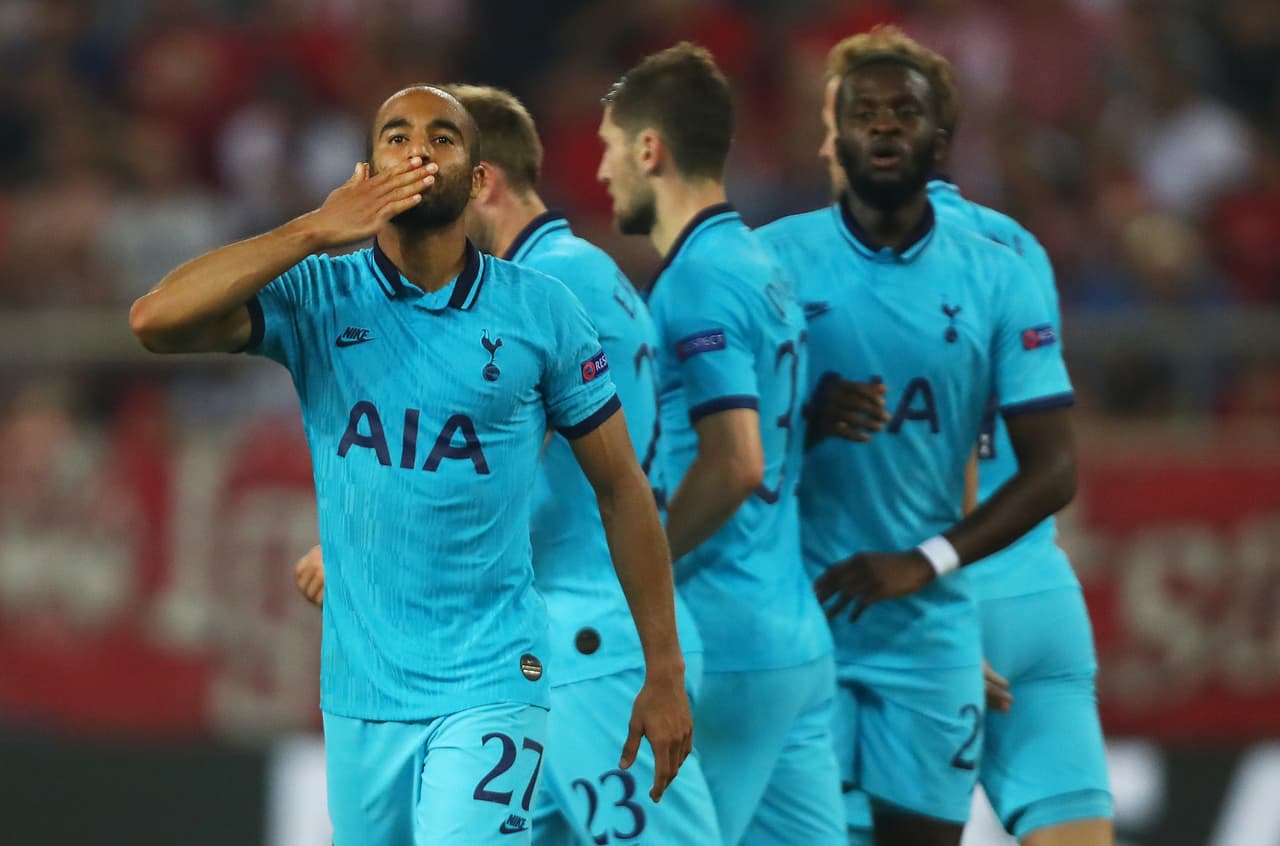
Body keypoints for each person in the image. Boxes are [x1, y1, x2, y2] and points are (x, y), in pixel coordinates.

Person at [129, 84, 692, 846]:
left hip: (493, 678)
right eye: (396, 136)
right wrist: (309, 230)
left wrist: (665, 670)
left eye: (443, 138)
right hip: (361, 693)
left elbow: (623, 487)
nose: (418, 149)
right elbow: (154, 321)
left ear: (476, 174)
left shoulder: (541, 310)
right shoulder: (320, 295)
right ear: (368, 169)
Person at [293, 82, 722, 846]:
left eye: (434, 157)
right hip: (573, 632)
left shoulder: (549, 291)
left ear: (478, 179)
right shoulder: (582, 270)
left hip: (582, 632)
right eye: (397, 151)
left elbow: (583, 469)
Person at [756, 43, 1078, 846]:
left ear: (941, 139)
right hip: (799, 617)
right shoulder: (771, 263)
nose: (884, 129)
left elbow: (1054, 469)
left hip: (927, 627)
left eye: (904, 112)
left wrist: (925, 562)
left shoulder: (999, 278)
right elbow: (706, 442)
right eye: (863, 115)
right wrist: (798, 414)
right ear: (834, 136)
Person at [597, 43, 845, 846]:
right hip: (795, 643)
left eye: (608, 148)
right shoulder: (762, 264)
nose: (601, 173)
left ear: (649, 149)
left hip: (727, 642)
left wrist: (640, 565)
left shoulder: (696, 279)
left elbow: (737, 461)